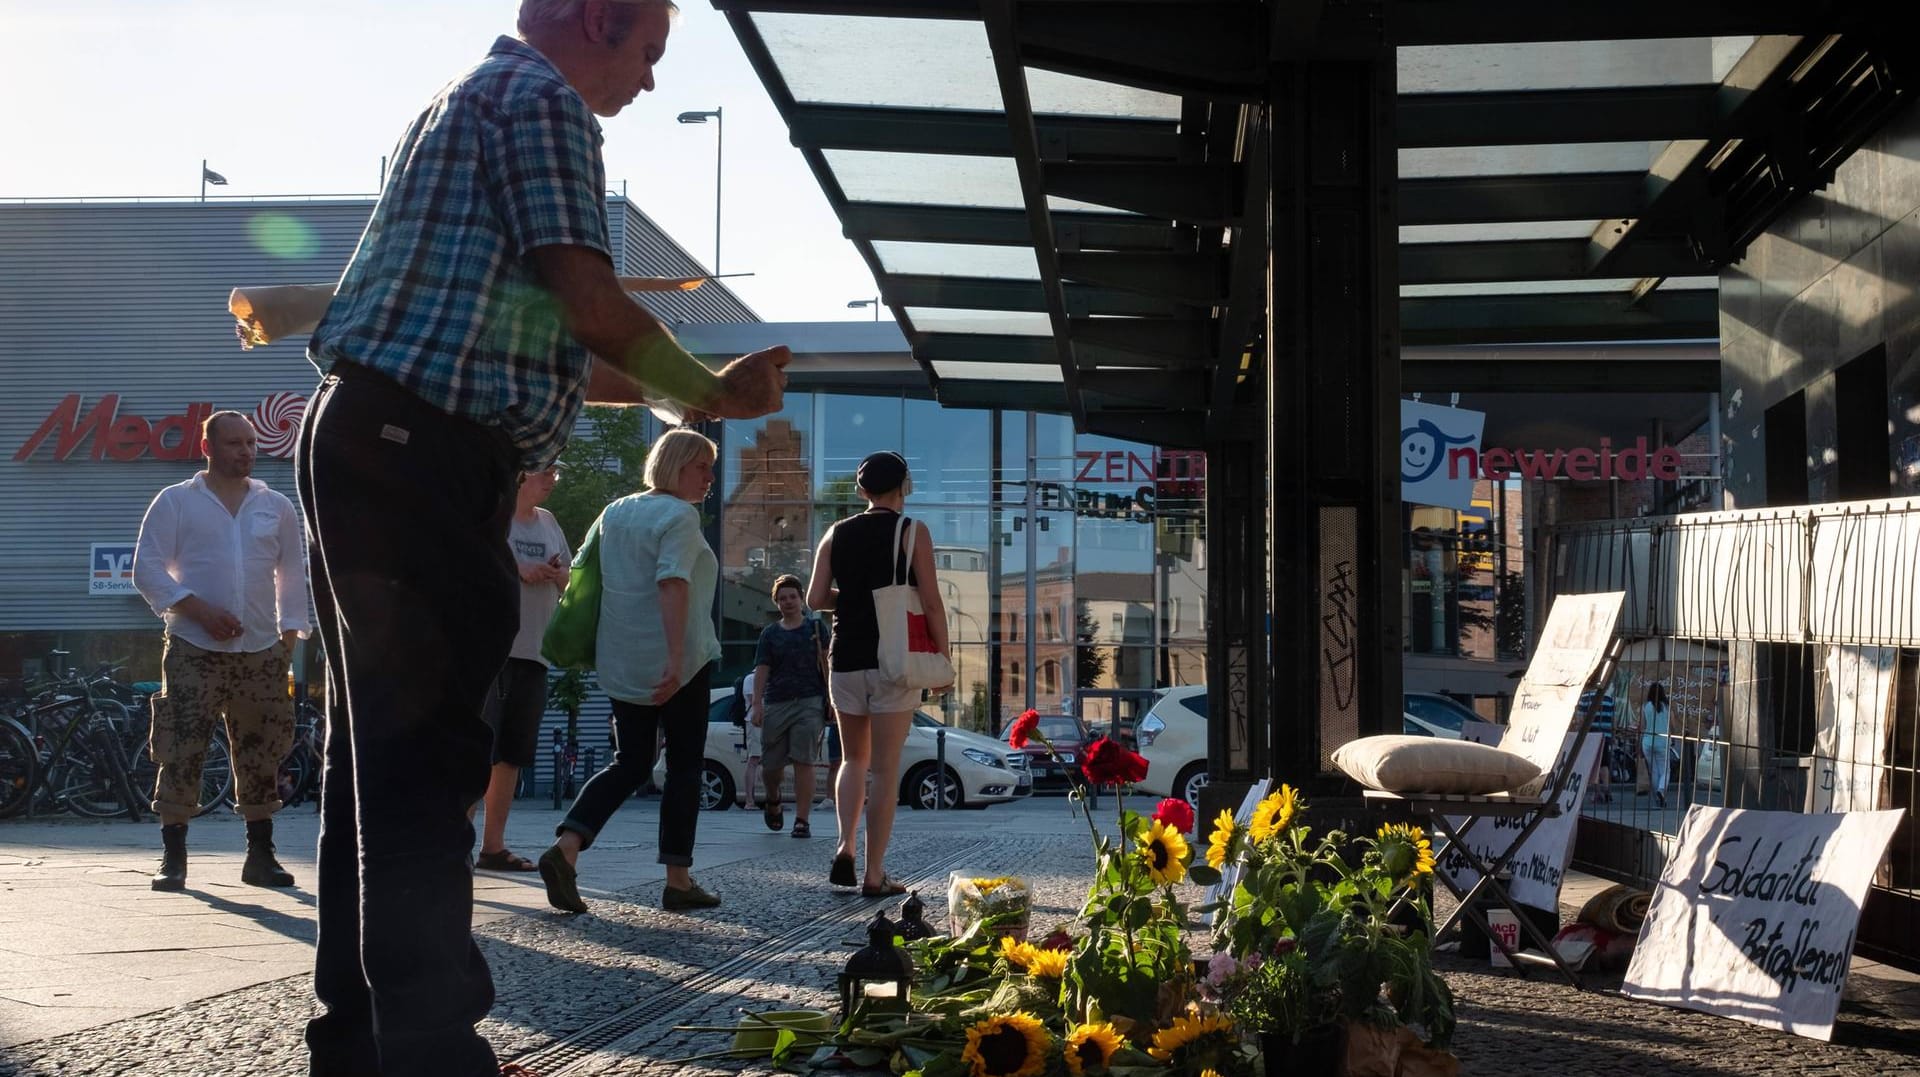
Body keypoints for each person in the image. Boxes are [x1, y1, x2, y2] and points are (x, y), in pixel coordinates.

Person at [294, 2, 790, 1071]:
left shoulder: (467, 99)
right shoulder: (540, 104)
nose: (648, 83)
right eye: (649, 53)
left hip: (376, 434)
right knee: (423, 766)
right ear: (596, 17)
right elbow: (593, 307)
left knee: (374, 762)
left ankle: (359, 1043)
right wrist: (709, 389)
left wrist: (688, 402)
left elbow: (552, 349)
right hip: (423, 451)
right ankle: (429, 1054)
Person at [539, 430, 723, 914]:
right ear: (676, 466)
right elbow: (672, 582)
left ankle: (566, 849)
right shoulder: (679, 515)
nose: (709, 477)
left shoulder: (615, 510)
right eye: (701, 466)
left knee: (631, 762)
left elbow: (582, 575)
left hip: (620, 660)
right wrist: (676, 660)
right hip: (678, 663)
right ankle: (678, 881)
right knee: (683, 766)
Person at [132, 410, 307, 892]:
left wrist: (287, 640)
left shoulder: (276, 505)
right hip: (193, 646)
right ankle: (174, 857)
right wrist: (198, 610)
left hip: (262, 651)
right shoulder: (176, 502)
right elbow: (146, 568)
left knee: (262, 751)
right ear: (207, 447)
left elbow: (293, 575)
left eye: (251, 443)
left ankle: (261, 856)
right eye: (234, 443)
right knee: (181, 746)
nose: (246, 452)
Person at [807, 451, 950, 897]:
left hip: (845, 656)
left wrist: (852, 598)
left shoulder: (836, 532)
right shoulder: (913, 531)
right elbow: (930, 601)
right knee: (885, 771)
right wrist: (943, 659)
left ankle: (844, 846)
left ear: (861, 490)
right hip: (895, 659)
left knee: (853, 759)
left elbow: (814, 598)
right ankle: (874, 874)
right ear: (904, 486)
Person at [473, 465, 570, 873]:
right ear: (520, 475)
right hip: (491, 647)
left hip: (535, 649)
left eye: (556, 474)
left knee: (512, 753)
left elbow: (570, 579)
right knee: (478, 748)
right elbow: (474, 561)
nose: (552, 480)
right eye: (546, 472)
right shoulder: (494, 515)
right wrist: (518, 569)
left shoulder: (548, 522)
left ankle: (493, 847)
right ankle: (457, 841)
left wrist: (554, 573)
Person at [751, 574, 831, 838]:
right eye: (782, 598)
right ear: (777, 603)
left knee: (803, 761)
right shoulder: (770, 634)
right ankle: (773, 798)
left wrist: (831, 699)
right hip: (776, 703)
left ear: (801, 598)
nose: (788, 602)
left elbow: (827, 665)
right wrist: (757, 703)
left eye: (793, 597)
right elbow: (762, 669)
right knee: (771, 766)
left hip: (809, 701)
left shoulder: (817, 629)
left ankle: (801, 820)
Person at [1641, 681, 1672, 808]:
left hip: (1647, 742)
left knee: (1653, 771)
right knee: (1666, 770)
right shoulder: (1667, 707)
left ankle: (1658, 800)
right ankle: (1661, 790)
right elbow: (1672, 724)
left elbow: (1643, 726)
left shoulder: (1646, 706)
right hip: (1662, 742)